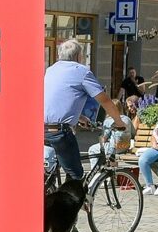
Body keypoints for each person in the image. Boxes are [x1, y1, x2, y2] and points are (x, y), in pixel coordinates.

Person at [43, 36, 121, 186]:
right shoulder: (82, 71)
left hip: (41, 128)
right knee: (76, 176)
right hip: (60, 132)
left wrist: (80, 117)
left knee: (58, 169)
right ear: (79, 56)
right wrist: (119, 121)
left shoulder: (51, 69)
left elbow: (60, 99)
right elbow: (104, 100)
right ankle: (67, 207)